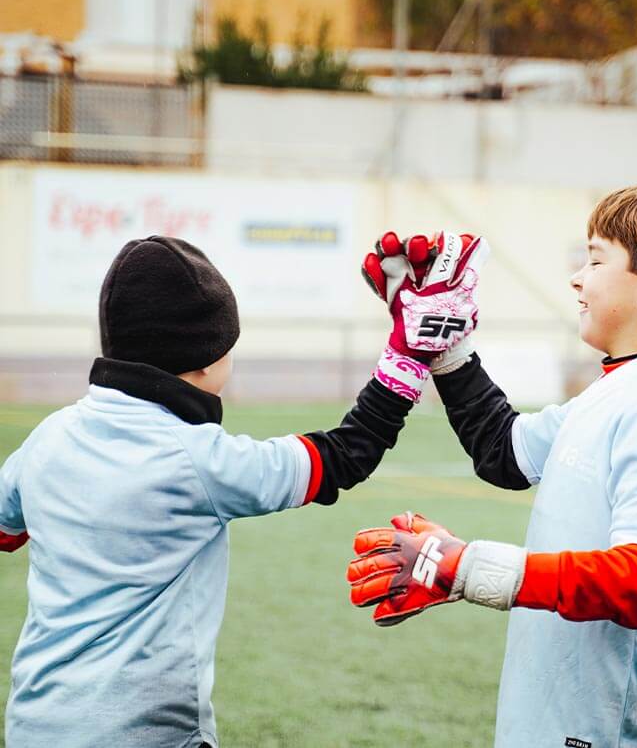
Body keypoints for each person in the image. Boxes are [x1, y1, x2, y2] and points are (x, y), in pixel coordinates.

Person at [0, 234, 481, 748]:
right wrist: (408, 353)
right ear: (206, 359)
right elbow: (346, 455)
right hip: (146, 735)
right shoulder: (199, 460)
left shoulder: (45, 439)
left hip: (34, 724)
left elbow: (7, 532)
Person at [348, 185, 637, 747]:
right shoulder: (621, 387)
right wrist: (446, 346)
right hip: (565, 720)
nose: (577, 278)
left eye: (594, 259)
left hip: (608, 731)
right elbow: (503, 450)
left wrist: (466, 567)